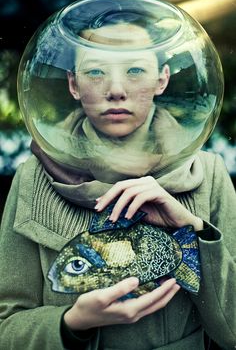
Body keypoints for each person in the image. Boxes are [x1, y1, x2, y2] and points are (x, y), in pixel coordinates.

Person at [0, 18, 236, 350]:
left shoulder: (209, 173)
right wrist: (73, 323)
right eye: (96, 71)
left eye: (135, 70)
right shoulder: (32, 177)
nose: (115, 89)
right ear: (73, 83)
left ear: (162, 79)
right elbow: (5, 328)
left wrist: (193, 229)